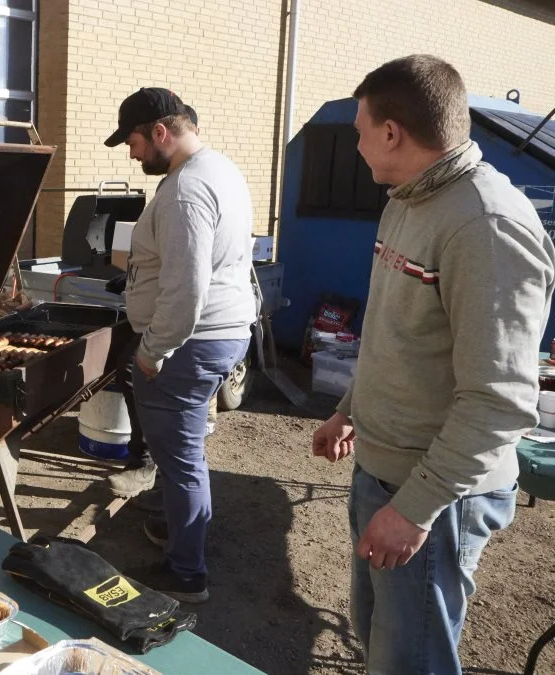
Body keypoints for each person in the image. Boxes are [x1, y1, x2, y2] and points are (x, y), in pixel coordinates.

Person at [311, 55, 554, 673]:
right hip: (385, 469)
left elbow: (499, 401)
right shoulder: (408, 199)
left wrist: (415, 508)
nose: (358, 144)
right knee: (379, 638)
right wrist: (349, 409)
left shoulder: (486, 225)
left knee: (408, 659)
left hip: (435, 494)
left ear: (392, 132)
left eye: (361, 129)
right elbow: (398, 331)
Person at [103, 87, 256, 603]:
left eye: (135, 142)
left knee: (182, 454)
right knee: (180, 448)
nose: (132, 153)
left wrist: (152, 351)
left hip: (192, 341)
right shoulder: (221, 169)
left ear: (161, 132)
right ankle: (180, 528)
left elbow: (186, 288)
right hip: (225, 330)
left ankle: (186, 573)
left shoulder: (187, 191)